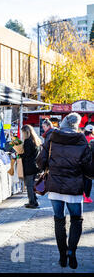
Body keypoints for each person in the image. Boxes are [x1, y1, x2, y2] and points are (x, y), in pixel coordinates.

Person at [37, 113, 92, 269]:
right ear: (77, 125)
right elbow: (89, 169)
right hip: (74, 188)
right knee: (76, 220)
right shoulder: (81, 140)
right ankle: (71, 252)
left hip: (55, 187)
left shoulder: (52, 137)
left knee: (59, 220)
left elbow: (41, 162)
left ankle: (62, 255)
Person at [21, 125, 42, 209]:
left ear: (26, 132)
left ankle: (32, 202)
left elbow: (27, 154)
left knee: (29, 185)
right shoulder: (35, 140)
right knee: (32, 185)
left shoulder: (28, 141)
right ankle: (35, 201)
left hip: (29, 166)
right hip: (35, 166)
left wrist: (19, 154)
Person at [82, 125, 93, 203]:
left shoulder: (81, 139)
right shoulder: (92, 140)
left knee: (83, 179)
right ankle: (87, 197)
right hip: (90, 164)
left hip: (81, 162)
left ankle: (83, 193)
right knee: (88, 180)